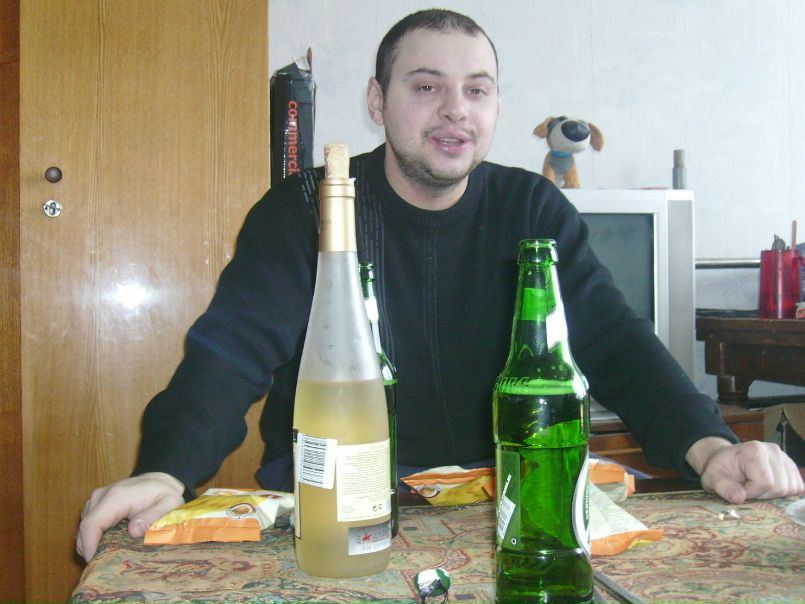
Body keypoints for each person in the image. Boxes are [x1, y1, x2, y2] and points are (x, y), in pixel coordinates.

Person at [76, 9, 803, 562]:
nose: (456, 109)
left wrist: (710, 448)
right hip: (336, 509)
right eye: (426, 87)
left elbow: (615, 341)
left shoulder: (531, 209)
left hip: (506, 502)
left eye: (476, 91)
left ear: (495, 107)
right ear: (377, 100)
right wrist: (166, 472)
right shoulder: (307, 209)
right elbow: (229, 353)